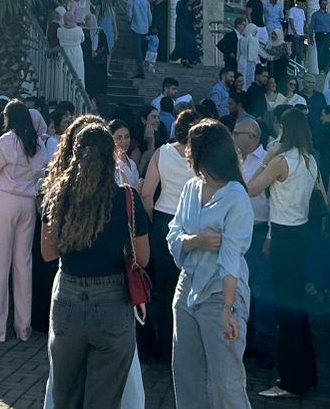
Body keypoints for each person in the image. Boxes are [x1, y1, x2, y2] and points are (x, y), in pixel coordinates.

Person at [41, 118, 149, 408]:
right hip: (113, 297)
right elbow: (144, 257)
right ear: (111, 154)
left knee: (64, 394)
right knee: (104, 398)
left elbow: (48, 253)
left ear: (75, 153)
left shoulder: (57, 196)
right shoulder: (127, 198)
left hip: (68, 295)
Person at [168, 118, 253, 409]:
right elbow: (174, 233)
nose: (185, 152)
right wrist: (195, 241)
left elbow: (231, 257)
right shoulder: (191, 187)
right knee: (187, 379)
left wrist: (229, 309)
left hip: (221, 296)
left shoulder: (237, 197)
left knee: (225, 386)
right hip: (186, 292)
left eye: (190, 147)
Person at [245, 104, 321, 399]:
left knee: (287, 309)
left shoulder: (281, 159)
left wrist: (268, 158)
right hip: (300, 232)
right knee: (298, 307)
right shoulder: (309, 159)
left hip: (285, 236)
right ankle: (306, 372)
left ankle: (291, 380)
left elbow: (252, 188)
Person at [0, 100, 46, 343]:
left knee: (0, 264)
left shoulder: (8, 140)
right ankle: (23, 327)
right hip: (28, 203)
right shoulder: (38, 142)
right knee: (24, 265)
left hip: (5, 200)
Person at [139, 106, 197, 363]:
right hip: (192, 223)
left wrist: (153, 220)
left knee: (163, 288)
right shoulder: (203, 156)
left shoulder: (162, 153)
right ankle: (184, 348)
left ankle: (163, 347)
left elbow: (147, 193)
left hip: (164, 218)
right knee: (189, 287)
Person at [233, 115, 277, 370]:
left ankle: (267, 346)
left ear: (251, 136)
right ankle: (246, 341)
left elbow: (275, 202)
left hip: (260, 232)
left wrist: (270, 236)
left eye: (237, 133)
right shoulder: (234, 160)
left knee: (263, 292)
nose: (233, 136)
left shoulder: (267, 161)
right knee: (240, 289)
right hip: (238, 234)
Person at [57, 9, 87, 88]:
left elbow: (59, 38)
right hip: (77, 52)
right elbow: (82, 39)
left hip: (65, 52)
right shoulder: (79, 30)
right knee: (78, 71)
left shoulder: (59, 30)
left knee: (65, 71)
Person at [309, 0, 330, 72]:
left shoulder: (329, 15)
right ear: (320, 4)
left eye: (325, 4)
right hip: (319, 34)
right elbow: (311, 26)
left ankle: (325, 68)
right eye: (323, 3)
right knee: (320, 52)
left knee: (326, 51)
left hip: (328, 35)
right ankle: (321, 69)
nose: (325, 5)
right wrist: (310, 37)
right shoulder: (315, 15)